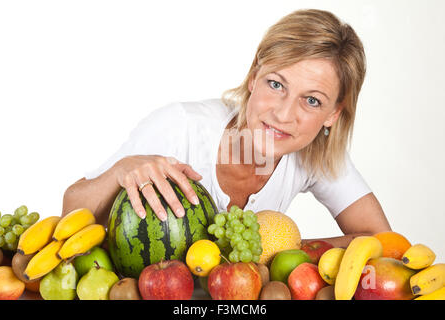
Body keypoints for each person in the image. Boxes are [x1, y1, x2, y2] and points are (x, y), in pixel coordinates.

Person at [62, 9, 391, 248]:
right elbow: (68, 215)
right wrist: (119, 171)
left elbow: (382, 241)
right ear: (254, 76)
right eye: (276, 84)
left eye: (312, 101)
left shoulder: (315, 152)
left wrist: (282, 250)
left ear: (333, 114)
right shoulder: (181, 127)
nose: (284, 113)